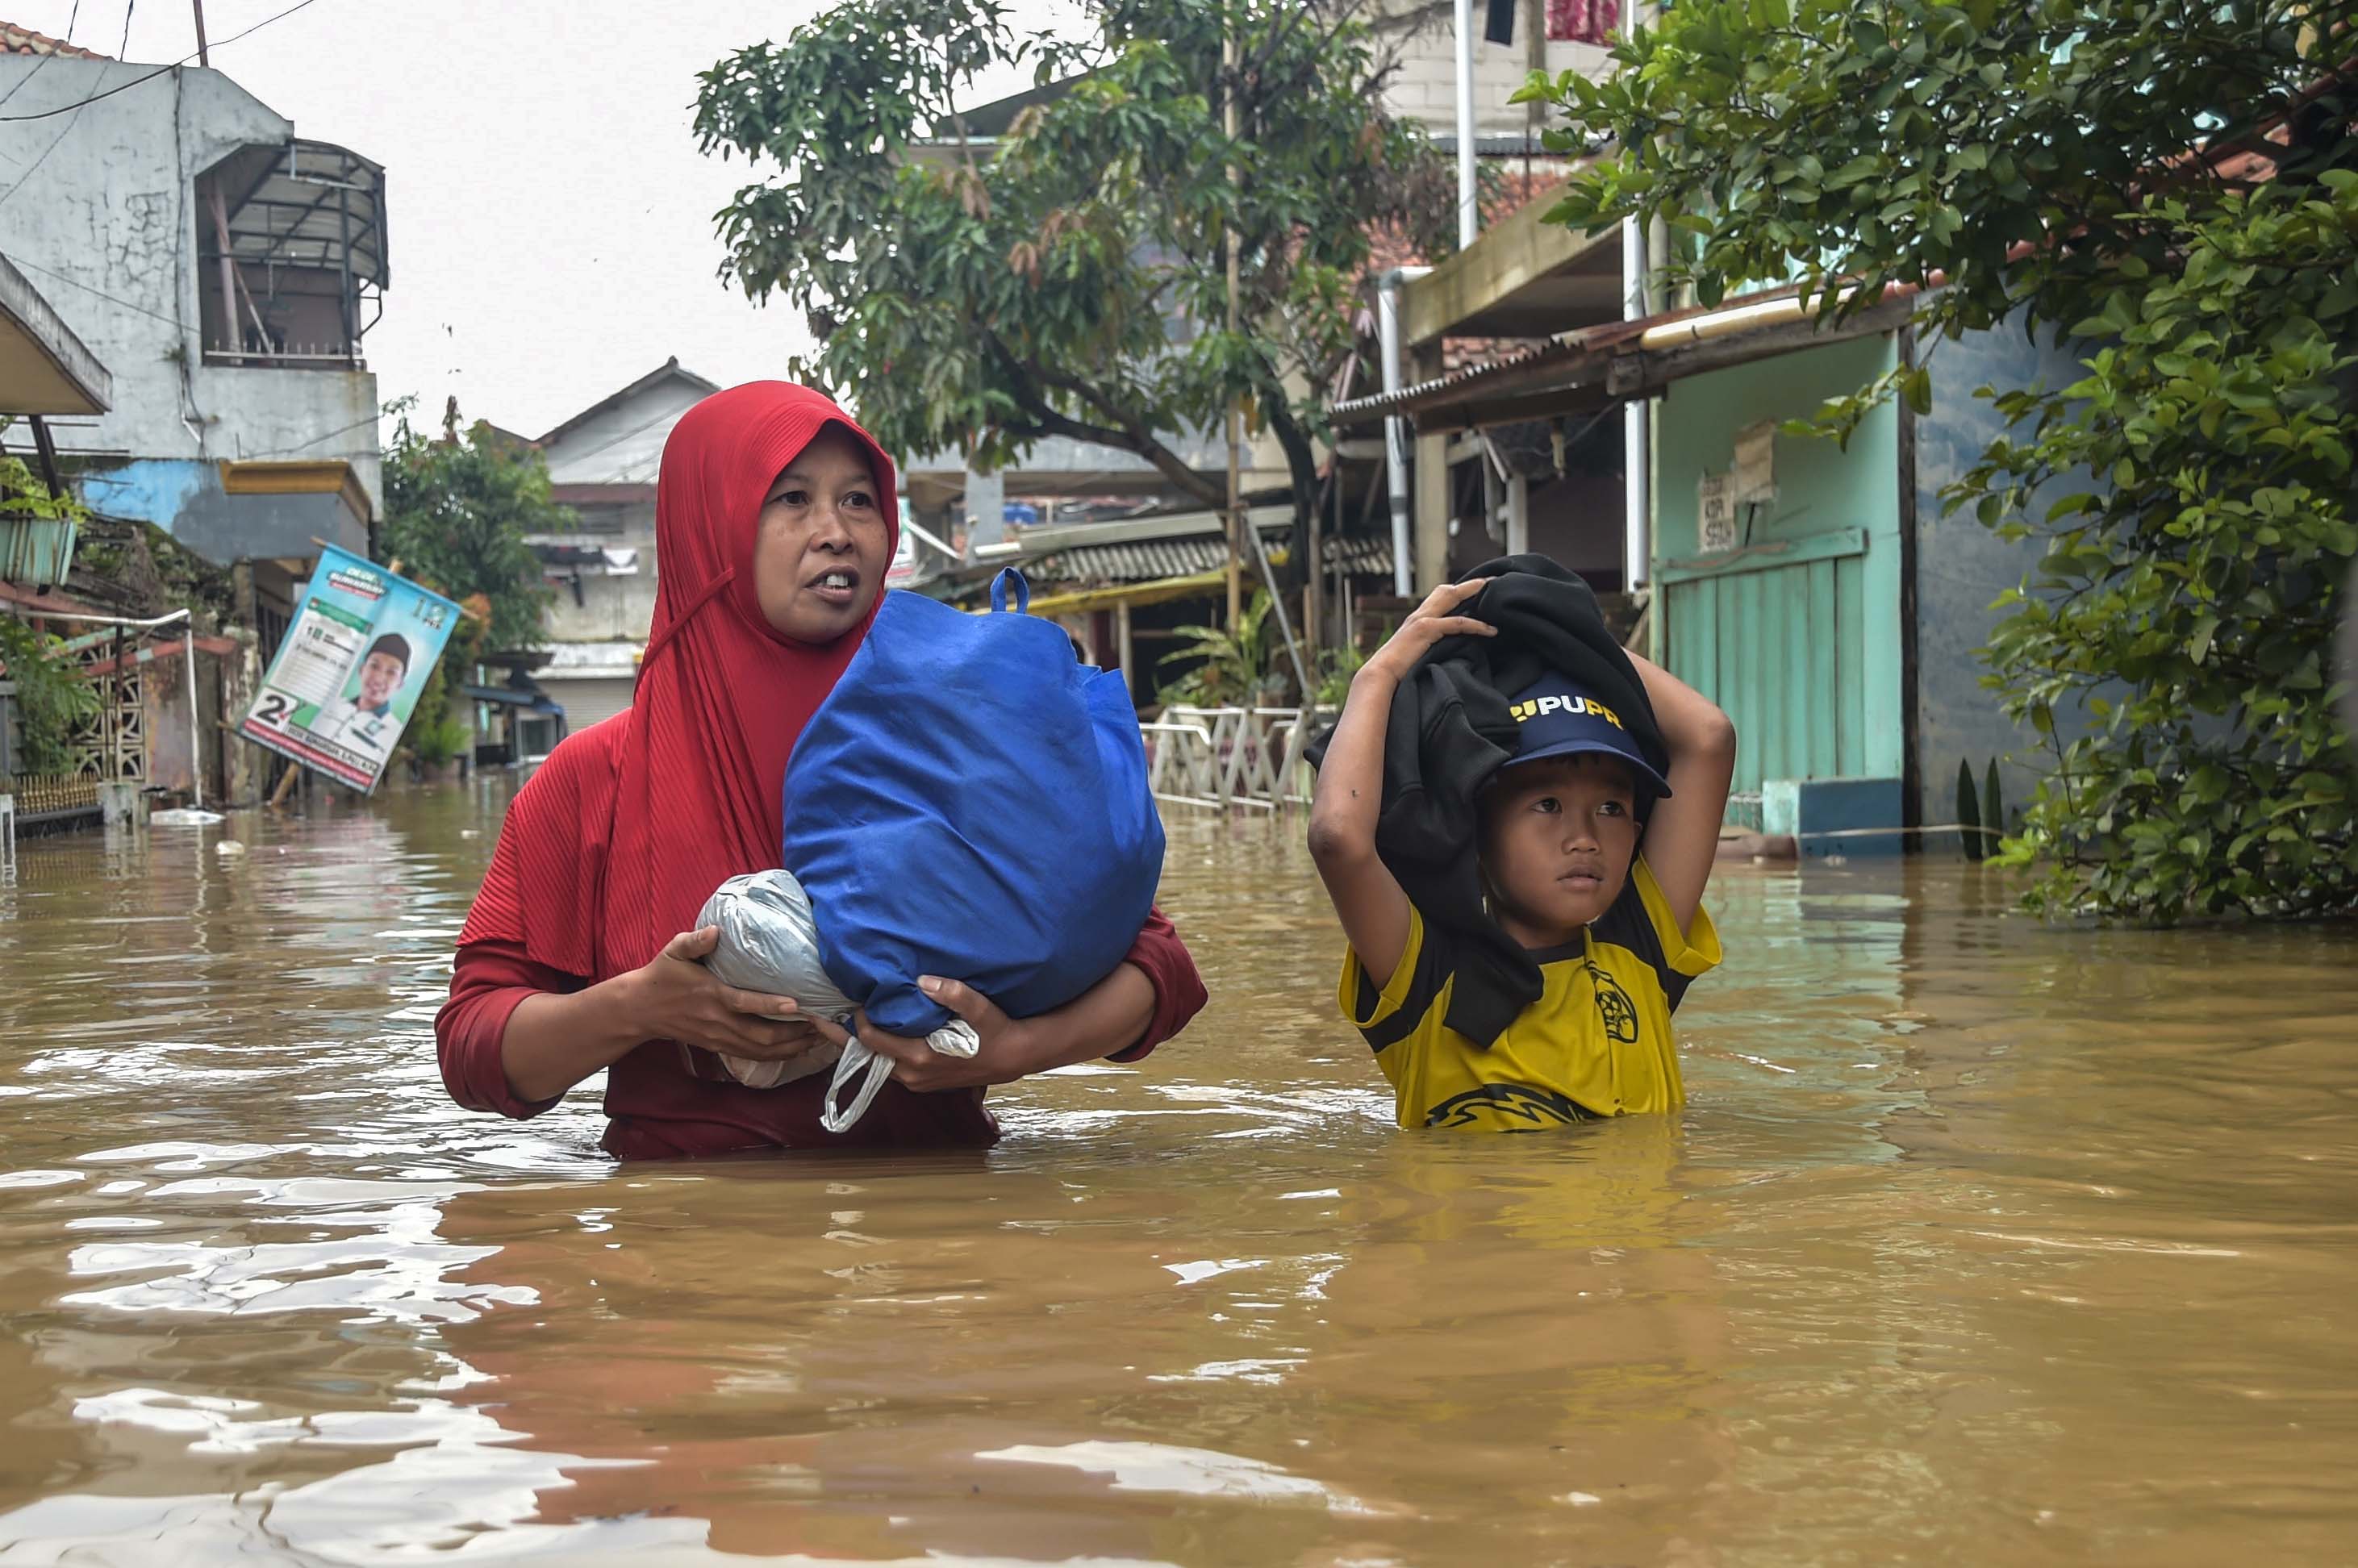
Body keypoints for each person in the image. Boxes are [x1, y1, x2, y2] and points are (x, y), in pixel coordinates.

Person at [436, 383, 1207, 1157]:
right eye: (792, 500)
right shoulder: (589, 778)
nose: (835, 532)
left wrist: (1015, 1051)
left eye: (859, 502)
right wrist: (640, 1008)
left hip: (944, 1229)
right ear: (709, 530)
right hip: (679, 1238)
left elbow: (1157, 964)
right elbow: (472, 1049)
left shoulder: (957, 740)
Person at [1308, 575, 1735, 1132]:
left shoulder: (1640, 954)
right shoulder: (1427, 976)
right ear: (1475, 828)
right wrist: (1379, 675)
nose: (1584, 836)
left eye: (1610, 809)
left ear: (1635, 829)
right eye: (1547, 805)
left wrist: (1558, 631)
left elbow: (1708, 738)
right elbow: (1338, 838)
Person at [309, 632, 411, 757]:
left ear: (400, 684)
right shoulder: (333, 704)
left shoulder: (393, 731)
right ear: (362, 670)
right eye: (374, 666)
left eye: (391, 673)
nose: (379, 679)